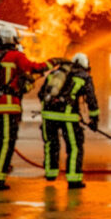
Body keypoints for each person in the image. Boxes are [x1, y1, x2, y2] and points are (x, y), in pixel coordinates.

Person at [0, 26, 59, 191]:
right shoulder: (16, 56)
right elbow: (35, 67)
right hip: (7, 106)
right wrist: (54, 62)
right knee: (6, 143)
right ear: (12, 39)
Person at [38, 52, 100, 189]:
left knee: (51, 144)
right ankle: (73, 179)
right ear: (85, 66)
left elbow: (40, 94)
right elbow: (91, 100)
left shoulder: (56, 74)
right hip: (68, 117)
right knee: (74, 147)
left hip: (48, 116)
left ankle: (50, 173)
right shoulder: (84, 76)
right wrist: (94, 120)